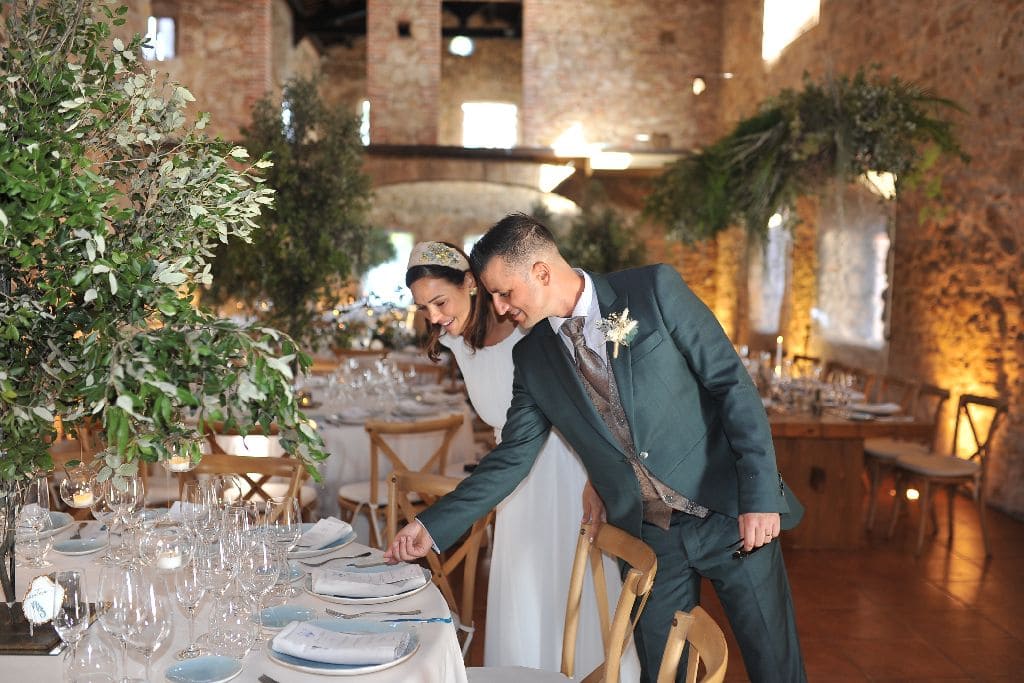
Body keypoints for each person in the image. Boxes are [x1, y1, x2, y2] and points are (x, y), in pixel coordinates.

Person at [387, 216, 807, 682]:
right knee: (659, 673)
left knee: (775, 665)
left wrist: (760, 494)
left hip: (729, 513)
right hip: (650, 538)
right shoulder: (533, 357)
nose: (501, 309)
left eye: (506, 293)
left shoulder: (652, 290)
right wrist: (434, 524)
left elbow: (733, 387)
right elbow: (513, 457)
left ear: (542, 272)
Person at [405, 241, 640, 677]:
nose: (434, 316)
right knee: (525, 595)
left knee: (576, 595)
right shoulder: (454, 339)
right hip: (515, 483)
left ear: (472, 284)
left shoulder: (527, 325)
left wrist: (599, 474)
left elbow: (591, 397)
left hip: (570, 471)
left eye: (440, 301)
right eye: (424, 308)